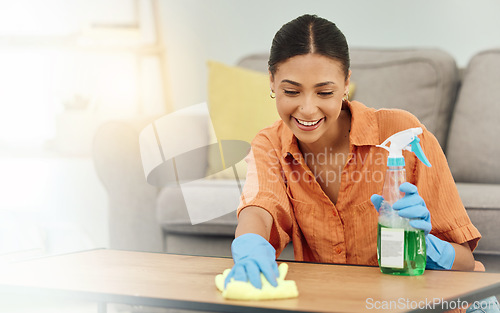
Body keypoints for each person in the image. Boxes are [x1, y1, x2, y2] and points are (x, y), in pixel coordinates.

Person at [224, 14, 498, 313]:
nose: (307, 108)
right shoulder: (270, 144)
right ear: (272, 81)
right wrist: (250, 243)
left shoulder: (402, 134)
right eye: (291, 91)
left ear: (346, 84)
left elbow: (465, 263)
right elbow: (261, 207)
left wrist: (426, 246)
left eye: (325, 92)